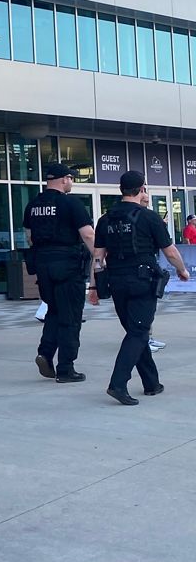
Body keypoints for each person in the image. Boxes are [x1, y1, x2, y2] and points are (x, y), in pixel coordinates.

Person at [89, 171, 189, 405]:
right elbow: (170, 251)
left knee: (136, 331)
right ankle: (118, 384)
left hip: (117, 282)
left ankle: (151, 383)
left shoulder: (106, 219)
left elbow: (97, 256)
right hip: (142, 281)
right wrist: (182, 271)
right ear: (141, 189)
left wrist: (93, 286)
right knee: (139, 332)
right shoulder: (149, 217)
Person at [23, 163, 94, 383]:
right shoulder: (71, 203)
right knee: (71, 316)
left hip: (43, 265)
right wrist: (100, 260)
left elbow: (29, 237)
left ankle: (45, 353)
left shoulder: (33, 204)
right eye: (71, 178)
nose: (71, 182)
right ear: (64, 179)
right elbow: (88, 235)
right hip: (68, 265)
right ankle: (66, 368)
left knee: (53, 310)